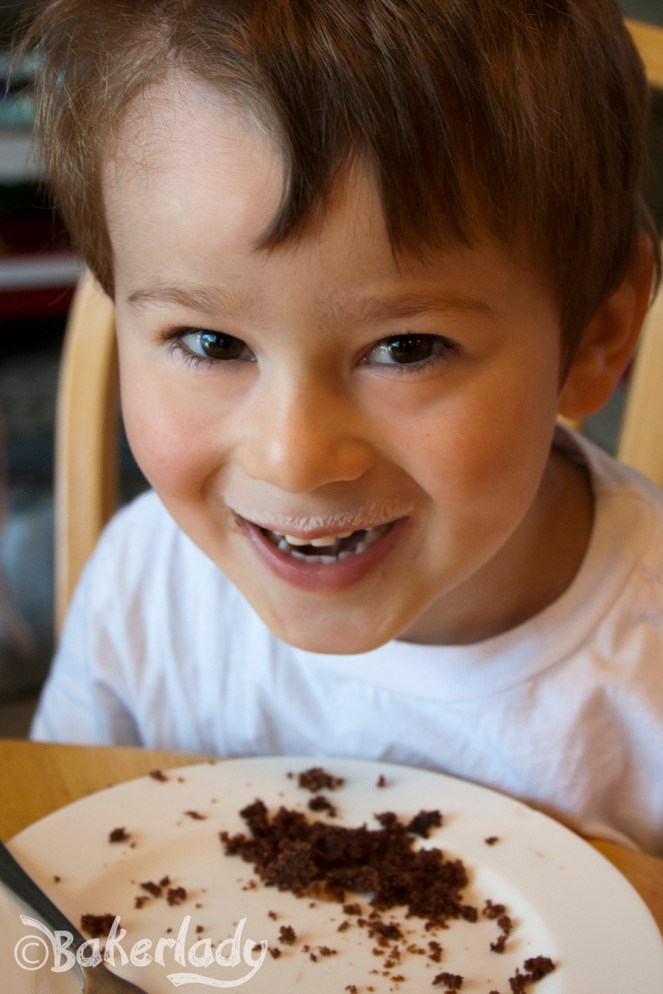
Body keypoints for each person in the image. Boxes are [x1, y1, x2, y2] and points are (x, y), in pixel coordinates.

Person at [18, 0, 663, 855]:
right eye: (211, 343)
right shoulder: (146, 587)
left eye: (406, 348)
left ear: (597, 336)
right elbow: (59, 864)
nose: (293, 459)